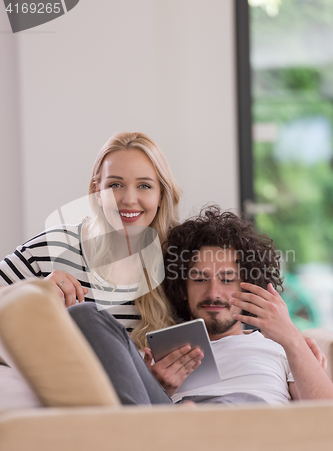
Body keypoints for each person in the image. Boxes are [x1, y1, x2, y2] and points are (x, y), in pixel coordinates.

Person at [67, 206, 331, 406]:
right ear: (183, 289)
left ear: (247, 286)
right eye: (200, 279)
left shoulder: (282, 349)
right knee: (84, 315)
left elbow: (324, 418)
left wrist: (293, 340)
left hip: (253, 428)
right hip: (175, 432)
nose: (213, 293)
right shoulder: (158, 355)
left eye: (227, 279)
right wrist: (157, 388)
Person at [0, 131, 181, 339]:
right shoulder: (54, 247)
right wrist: (32, 296)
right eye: (115, 185)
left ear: (161, 196)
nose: (129, 199)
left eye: (144, 186)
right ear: (98, 193)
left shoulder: (179, 260)